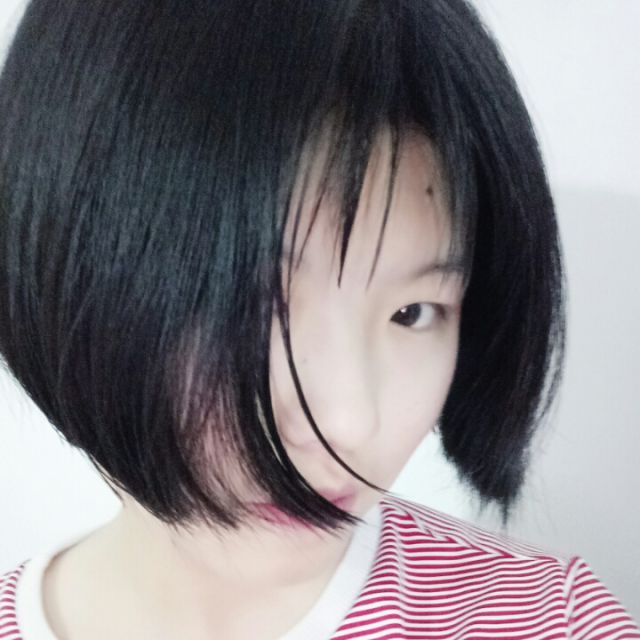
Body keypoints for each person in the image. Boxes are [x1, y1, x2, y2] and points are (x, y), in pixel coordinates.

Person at [0, 0, 638, 638]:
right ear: (66, 260)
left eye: (413, 313)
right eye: (245, 307)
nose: (350, 424)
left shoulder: (546, 620)